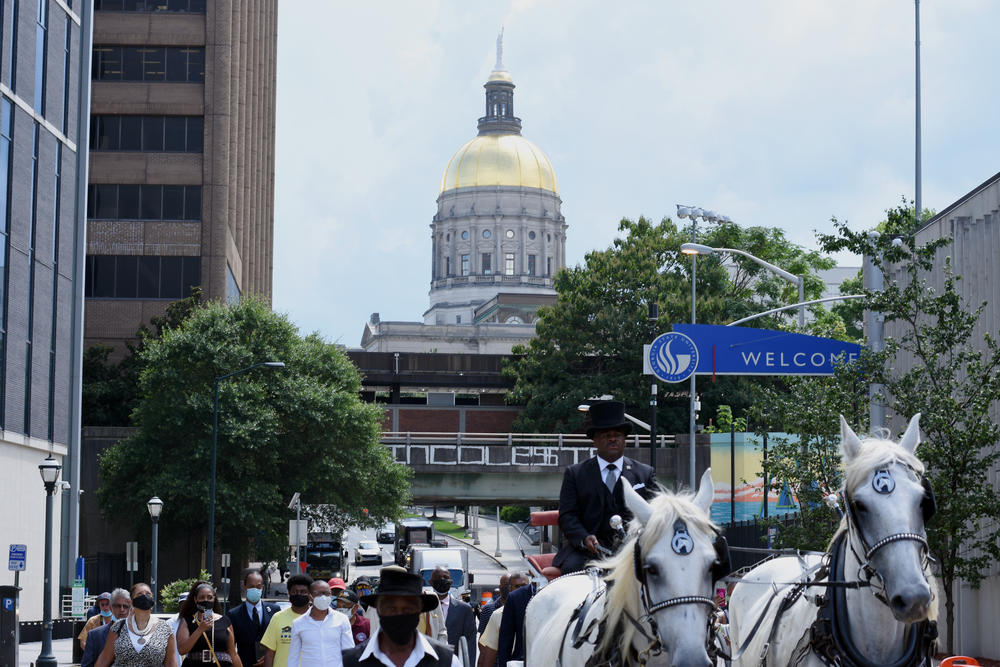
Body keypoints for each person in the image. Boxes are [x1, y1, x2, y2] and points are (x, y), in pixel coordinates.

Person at [552, 400, 657, 575]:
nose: (613, 438)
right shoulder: (575, 474)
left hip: (633, 550)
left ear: (624, 439)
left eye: (618, 434)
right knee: (571, 572)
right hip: (586, 553)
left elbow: (656, 514)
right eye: (606, 435)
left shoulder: (645, 474)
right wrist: (584, 538)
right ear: (595, 441)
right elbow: (567, 515)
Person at [341, 565, 460, 667]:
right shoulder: (350, 662)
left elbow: (441, 631)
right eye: (391, 608)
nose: (399, 615)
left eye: (408, 609)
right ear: (379, 610)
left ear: (419, 610)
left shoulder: (447, 662)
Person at [95, 582, 178, 667]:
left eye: (148, 594)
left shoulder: (165, 629)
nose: (144, 597)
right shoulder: (118, 626)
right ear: (131, 601)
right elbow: (104, 658)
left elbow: (171, 662)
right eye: (140, 594)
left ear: (153, 600)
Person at [175, 581, 243, 667]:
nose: (206, 600)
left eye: (209, 597)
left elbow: (233, 654)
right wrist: (200, 629)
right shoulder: (187, 621)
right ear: (195, 600)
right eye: (202, 597)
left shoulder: (224, 621)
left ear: (214, 599)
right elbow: (182, 650)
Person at [287, 579, 353, 667]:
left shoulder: (342, 619)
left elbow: (349, 652)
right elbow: (293, 657)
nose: (324, 597)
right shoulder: (298, 623)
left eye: (327, 593)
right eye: (319, 593)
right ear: (310, 597)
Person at [422, 567, 476, 666]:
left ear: (451, 582)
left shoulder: (464, 609)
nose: (442, 580)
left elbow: (470, 643)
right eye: (438, 578)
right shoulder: (422, 609)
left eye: (445, 577)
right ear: (430, 582)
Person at [228, 569, 282, 667]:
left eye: (258, 587)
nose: (255, 590)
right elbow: (231, 646)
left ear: (263, 587)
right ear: (244, 587)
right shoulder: (234, 614)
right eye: (251, 587)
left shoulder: (275, 610)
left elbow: (279, 641)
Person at [260, 573, 313, 667]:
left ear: (310, 594)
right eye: (294, 591)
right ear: (289, 593)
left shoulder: (318, 618)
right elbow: (270, 654)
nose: (298, 594)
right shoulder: (278, 617)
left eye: (303, 591)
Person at [477, 573, 527, 667]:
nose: (520, 590)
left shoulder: (538, 612)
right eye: (516, 586)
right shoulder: (495, 613)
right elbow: (485, 645)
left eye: (523, 586)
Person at [80, 589, 130, 667]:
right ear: (111, 608)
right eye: (102, 605)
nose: (122, 610)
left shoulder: (140, 632)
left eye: (125, 606)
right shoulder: (93, 626)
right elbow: (83, 641)